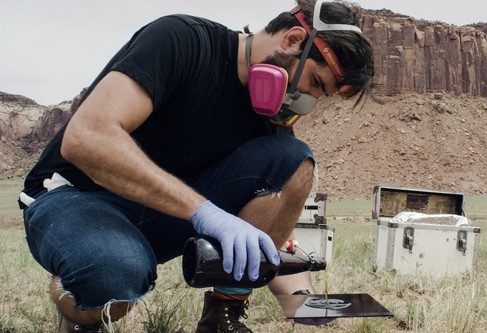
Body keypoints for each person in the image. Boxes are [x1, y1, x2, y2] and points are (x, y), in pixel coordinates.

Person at [18, 0, 373, 332]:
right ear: (294, 39)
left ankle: (223, 316)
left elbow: (266, 228)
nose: (305, 102)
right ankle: (80, 297)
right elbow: (87, 139)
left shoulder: (266, 120)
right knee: (112, 275)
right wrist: (205, 212)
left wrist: (300, 300)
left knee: (292, 159)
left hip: (162, 210)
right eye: (314, 83)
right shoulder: (182, 40)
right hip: (76, 198)